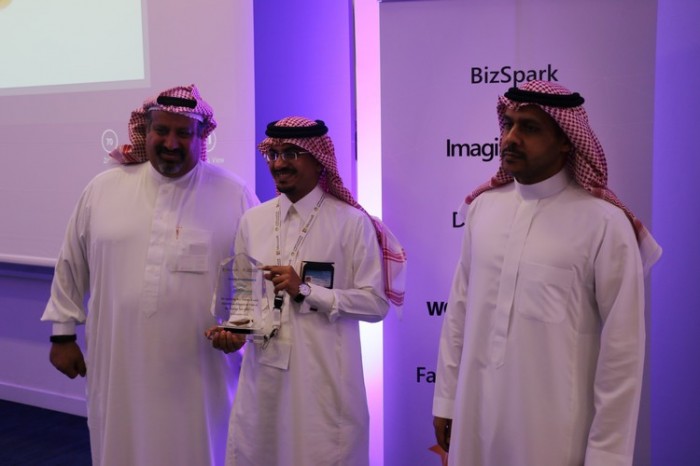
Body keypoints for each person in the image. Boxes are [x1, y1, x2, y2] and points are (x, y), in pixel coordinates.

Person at [432, 80, 662, 466]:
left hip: (554, 432)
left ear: (566, 141)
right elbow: (459, 311)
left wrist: (607, 453)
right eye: (508, 124)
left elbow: (622, 351)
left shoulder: (604, 224)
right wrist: (446, 399)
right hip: (474, 417)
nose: (511, 138)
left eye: (530, 127)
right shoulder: (483, 209)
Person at [41, 84, 258, 466]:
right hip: (119, 361)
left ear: (201, 136)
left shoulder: (232, 193)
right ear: (146, 130)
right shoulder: (103, 189)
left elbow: (254, 276)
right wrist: (62, 335)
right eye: (162, 130)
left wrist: (241, 327)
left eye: (183, 133)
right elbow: (71, 263)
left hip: (201, 371)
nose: (171, 142)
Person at [206, 116, 407, 466]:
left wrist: (307, 291)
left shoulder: (351, 223)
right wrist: (234, 333)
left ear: (319, 159)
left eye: (291, 153)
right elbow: (244, 300)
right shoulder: (253, 220)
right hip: (263, 386)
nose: (279, 163)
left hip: (323, 389)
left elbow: (376, 304)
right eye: (273, 154)